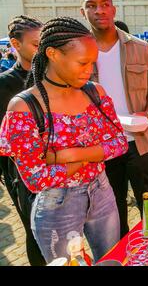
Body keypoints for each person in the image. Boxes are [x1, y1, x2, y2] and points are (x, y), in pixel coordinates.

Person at [0, 17, 127, 264]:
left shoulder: (95, 92)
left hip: (102, 192)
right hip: (57, 205)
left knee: (112, 259)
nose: (89, 70)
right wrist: (95, 153)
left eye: (92, 63)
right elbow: (37, 178)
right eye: (82, 62)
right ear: (52, 54)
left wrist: (66, 155)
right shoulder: (24, 107)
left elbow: (120, 143)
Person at [80, 0, 148, 238]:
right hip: (100, 148)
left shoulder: (140, 47)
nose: (99, 10)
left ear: (113, 9)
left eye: (105, 4)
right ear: (82, 12)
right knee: (113, 209)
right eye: (91, 6)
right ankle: (124, 253)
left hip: (139, 142)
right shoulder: (77, 52)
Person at [0, 15, 45, 266]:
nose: (43, 49)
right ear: (16, 45)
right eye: (36, 44)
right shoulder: (4, 84)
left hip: (61, 170)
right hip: (23, 175)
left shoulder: (53, 77)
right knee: (34, 232)